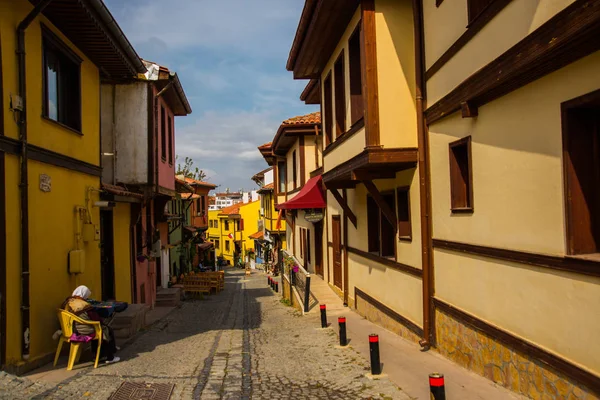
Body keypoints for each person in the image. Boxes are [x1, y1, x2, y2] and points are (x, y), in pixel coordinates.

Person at [62, 286, 120, 364]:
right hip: (84, 330)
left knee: (100, 328)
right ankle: (108, 356)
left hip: (72, 329)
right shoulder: (83, 305)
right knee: (105, 330)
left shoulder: (69, 301)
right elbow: (96, 319)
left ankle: (100, 354)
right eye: (86, 296)